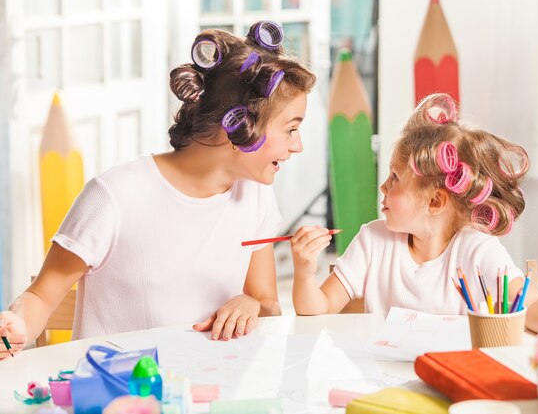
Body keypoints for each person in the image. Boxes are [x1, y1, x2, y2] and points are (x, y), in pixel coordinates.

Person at [0, 21, 316, 359]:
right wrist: (15, 325)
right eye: (291, 129)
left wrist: (249, 302)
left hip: (208, 391)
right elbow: (41, 297)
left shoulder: (255, 195)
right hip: (120, 396)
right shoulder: (115, 196)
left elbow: (267, 303)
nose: (297, 146)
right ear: (237, 128)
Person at [291, 93, 538, 333]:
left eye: (396, 178)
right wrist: (304, 272)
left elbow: (533, 304)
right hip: (383, 383)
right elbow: (318, 309)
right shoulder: (372, 240)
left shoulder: (477, 251)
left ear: (435, 202)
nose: (384, 186)